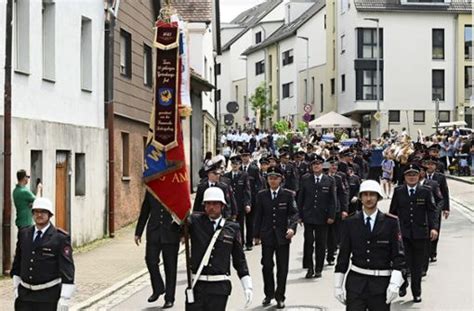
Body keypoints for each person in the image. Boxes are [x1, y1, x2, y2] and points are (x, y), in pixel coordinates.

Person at [334, 180, 405, 311]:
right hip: (356, 283)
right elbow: (343, 255)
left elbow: (398, 256)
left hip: (381, 284)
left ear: (378, 197)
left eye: (372, 195)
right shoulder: (350, 222)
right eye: (365, 195)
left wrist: (395, 283)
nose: (368, 198)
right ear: (360, 198)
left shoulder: (391, 223)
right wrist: (337, 285)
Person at [186, 187, 252, 310]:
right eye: (208, 203)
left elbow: (239, 259)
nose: (211, 207)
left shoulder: (232, 227)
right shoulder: (194, 221)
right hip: (197, 286)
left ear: (222, 206)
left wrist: (247, 285)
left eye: (215, 204)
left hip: (219, 287)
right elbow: (176, 229)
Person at [11, 197, 75, 311]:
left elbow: (67, 270)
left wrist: (65, 298)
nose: (39, 215)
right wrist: (16, 288)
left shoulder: (60, 238)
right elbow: (17, 263)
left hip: (48, 297)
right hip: (25, 296)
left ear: (50, 215)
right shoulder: (24, 234)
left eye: (43, 212)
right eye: (36, 211)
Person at [389, 163, 439, 303]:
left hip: (420, 233)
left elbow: (432, 211)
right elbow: (393, 212)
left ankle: (416, 292)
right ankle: (403, 282)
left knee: (417, 265)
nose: (411, 177)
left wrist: (434, 228)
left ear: (419, 176)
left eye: (414, 174)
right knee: (403, 262)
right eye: (409, 175)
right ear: (404, 177)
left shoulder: (426, 191)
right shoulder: (399, 191)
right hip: (403, 234)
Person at [254, 167, 299, 309]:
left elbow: (294, 214)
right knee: (267, 265)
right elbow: (258, 216)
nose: (272, 181)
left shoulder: (288, 195)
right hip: (267, 236)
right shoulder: (261, 195)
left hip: (282, 236)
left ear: (281, 180)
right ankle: (269, 293)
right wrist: (256, 235)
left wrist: (292, 228)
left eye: (275, 178)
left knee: (282, 268)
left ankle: (280, 296)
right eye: (270, 178)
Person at [135, 191, 180, 308]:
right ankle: (158, 287)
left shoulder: (175, 188)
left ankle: (169, 298)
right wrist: (138, 232)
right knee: (150, 260)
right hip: (154, 232)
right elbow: (145, 211)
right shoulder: (151, 189)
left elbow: (183, 210)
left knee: (170, 267)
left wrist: (184, 231)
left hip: (171, 232)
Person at [298, 155, 336, 279]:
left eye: (318, 164)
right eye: (314, 164)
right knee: (308, 242)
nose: (316, 166)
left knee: (321, 243)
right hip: (308, 215)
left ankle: (319, 268)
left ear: (322, 166)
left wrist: (331, 215)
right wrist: (299, 215)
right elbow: (301, 198)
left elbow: (332, 200)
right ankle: (309, 267)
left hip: (322, 216)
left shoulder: (329, 180)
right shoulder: (305, 179)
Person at [424, 156, 450, 262]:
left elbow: (445, 193)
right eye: (428, 164)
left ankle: (433, 252)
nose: (430, 166)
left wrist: (446, 208)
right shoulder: (421, 176)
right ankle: (426, 251)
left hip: (436, 208)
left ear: (435, 166)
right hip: (424, 207)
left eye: (432, 164)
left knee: (435, 228)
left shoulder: (440, 177)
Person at [223, 156, 252, 250]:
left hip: (240, 204)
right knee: (229, 225)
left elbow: (247, 190)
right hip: (229, 205)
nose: (235, 166)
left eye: (237, 164)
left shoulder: (244, 175)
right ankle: (230, 243)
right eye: (233, 164)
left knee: (240, 225)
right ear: (230, 165)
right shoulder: (226, 176)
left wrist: (247, 203)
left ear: (239, 165)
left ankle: (241, 243)